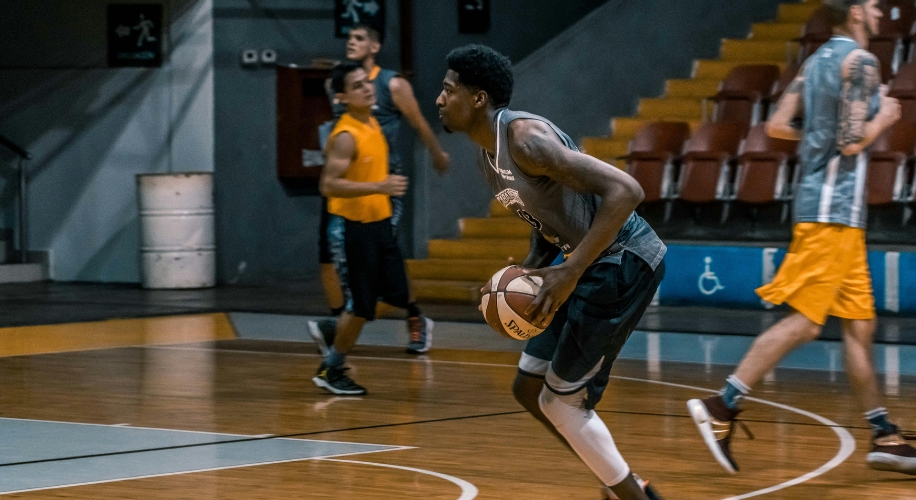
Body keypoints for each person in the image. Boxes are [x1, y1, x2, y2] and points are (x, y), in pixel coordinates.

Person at [687, 0, 916, 476]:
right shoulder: (863, 62)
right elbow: (853, 141)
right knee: (808, 323)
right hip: (831, 212)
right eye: (873, 5)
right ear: (855, 11)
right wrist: (885, 118)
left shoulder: (815, 62)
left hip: (833, 214)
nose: (880, 12)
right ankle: (722, 406)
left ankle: (883, 435)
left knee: (859, 326)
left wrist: (820, 134)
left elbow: (775, 125)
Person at [436, 44, 667, 500]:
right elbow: (549, 224)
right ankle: (618, 477)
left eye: (448, 90)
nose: (439, 99)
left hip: (624, 260)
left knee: (560, 403)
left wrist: (571, 271)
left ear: (478, 98)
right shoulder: (488, 156)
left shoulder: (526, 140)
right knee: (528, 389)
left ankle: (629, 493)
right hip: (585, 263)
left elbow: (627, 190)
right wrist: (531, 270)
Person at [311, 23, 449, 355]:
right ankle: (337, 327)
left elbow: (418, 122)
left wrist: (437, 153)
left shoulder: (389, 85)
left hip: (382, 180)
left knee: (384, 264)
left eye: (358, 38)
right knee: (328, 259)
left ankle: (413, 318)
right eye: (349, 37)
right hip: (352, 180)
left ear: (375, 46)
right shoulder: (348, 88)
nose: (350, 42)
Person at [313, 61, 426, 396]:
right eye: (358, 85)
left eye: (367, 82)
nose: (367, 88)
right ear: (344, 97)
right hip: (353, 228)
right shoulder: (345, 136)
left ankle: (335, 327)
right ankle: (332, 368)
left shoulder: (373, 122)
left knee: (398, 295)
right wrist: (380, 186)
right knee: (361, 305)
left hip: (379, 226)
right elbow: (328, 185)